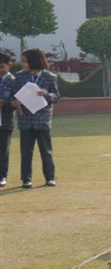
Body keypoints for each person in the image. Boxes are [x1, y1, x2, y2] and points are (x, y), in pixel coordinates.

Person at [14, 48, 59, 189]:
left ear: (34, 61)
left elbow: (56, 97)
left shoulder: (50, 77)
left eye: (25, 62)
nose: (22, 64)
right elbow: (14, 95)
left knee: (46, 151)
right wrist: (16, 103)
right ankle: (26, 179)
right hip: (25, 119)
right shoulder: (20, 76)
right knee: (26, 152)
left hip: (42, 120)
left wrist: (45, 94)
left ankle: (50, 178)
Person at [0, 52, 16, 187]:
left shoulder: (14, 81)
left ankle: (2, 176)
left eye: (1, 67)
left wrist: (5, 103)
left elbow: (16, 102)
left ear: (9, 65)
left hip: (5, 120)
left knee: (3, 150)